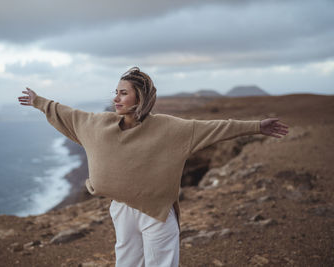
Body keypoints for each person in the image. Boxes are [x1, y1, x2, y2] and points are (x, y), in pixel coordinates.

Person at [18, 67, 289, 267]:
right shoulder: (98, 124)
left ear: (141, 97)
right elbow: (67, 114)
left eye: (123, 93)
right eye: (116, 93)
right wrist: (38, 101)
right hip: (121, 208)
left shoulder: (170, 128)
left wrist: (257, 127)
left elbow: (217, 127)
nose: (116, 98)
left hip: (157, 214)